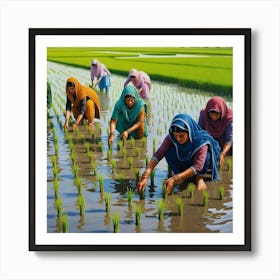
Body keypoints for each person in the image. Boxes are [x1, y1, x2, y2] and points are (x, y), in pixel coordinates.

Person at [137, 114, 221, 195]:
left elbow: (198, 166)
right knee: (169, 152)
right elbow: (159, 154)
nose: (178, 139)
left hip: (199, 165)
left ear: (189, 131)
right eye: (176, 135)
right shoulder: (172, 137)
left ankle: (199, 179)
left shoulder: (201, 140)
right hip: (185, 160)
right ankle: (181, 175)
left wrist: (174, 178)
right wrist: (146, 175)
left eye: (181, 136)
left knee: (206, 156)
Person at [198, 96, 233, 167]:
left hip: (225, 145)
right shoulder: (204, 114)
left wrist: (222, 153)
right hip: (209, 144)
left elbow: (229, 140)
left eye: (216, 114)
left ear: (222, 112)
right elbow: (200, 133)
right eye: (211, 114)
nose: (213, 117)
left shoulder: (229, 119)